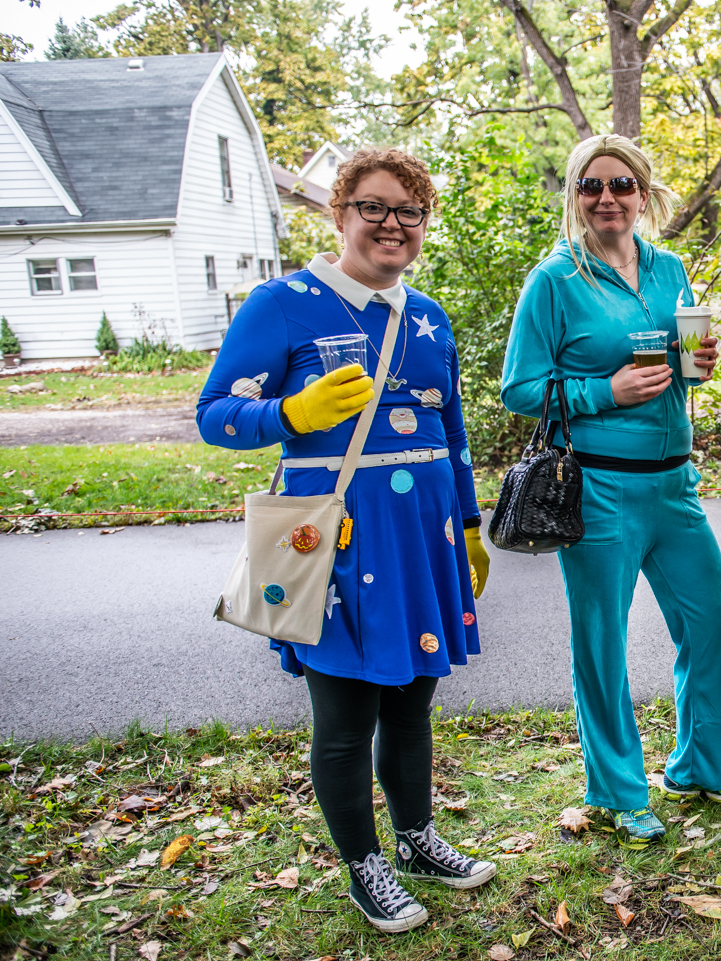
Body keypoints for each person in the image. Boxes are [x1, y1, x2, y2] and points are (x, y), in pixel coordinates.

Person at [197, 148, 494, 933]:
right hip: (336, 544)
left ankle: (417, 841)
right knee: (345, 718)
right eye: (374, 207)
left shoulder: (428, 315)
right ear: (339, 214)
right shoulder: (283, 303)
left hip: (425, 539)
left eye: (410, 210)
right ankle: (365, 867)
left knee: (412, 705)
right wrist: (291, 414)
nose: (393, 223)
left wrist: (469, 526)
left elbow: (453, 430)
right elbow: (214, 414)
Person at [500, 134, 721, 848]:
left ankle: (701, 767)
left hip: (674, 484)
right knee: (602, 644)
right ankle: (617, 791)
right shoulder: (555, 280)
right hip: (599, 488)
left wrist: (700, 361)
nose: (606, 198)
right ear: (575, 196)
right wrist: (603, 391)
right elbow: (519, 388)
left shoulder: (669, 268)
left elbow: (684, 363)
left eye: (621, 185)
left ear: (643, 194)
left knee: (715, 622)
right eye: (592, 186)